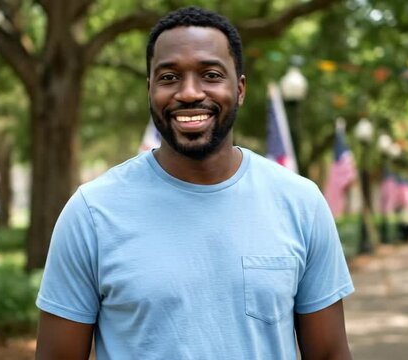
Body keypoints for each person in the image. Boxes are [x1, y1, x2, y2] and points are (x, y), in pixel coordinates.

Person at [35, 7, 354, 360]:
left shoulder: (301, 203)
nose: (188, 93)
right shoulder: (91, 214)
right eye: (169, 77)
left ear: (241, 88)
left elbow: (329, 353)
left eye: (211, 74)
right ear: (150, 90)